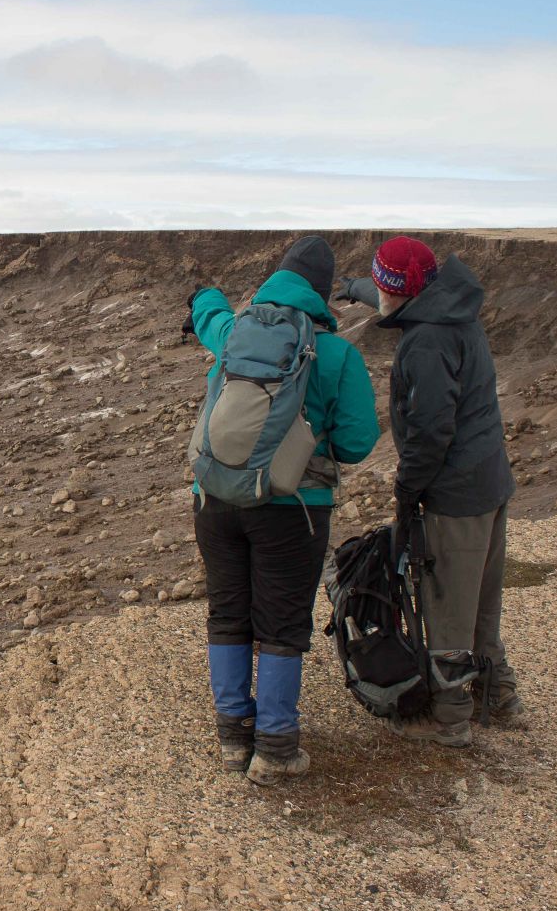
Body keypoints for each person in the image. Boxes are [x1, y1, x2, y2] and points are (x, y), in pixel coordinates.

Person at [187, 236, 381, 785]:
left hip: (216, 500)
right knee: (280, 623)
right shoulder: (337, 353)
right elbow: (358, 443)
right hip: (293, 508)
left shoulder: (233, 334)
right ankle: (274, 746)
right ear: (321, 296)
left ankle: (232, 735)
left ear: (275, 280)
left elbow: (211, 315)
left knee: (228, 612)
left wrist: (202, 294)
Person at [344, 236, 522, 747]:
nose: (376, 291)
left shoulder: (426, 342)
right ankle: (501, 697)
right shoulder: (454, 310)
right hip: (490, 482)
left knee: (447, 608)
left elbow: (430, 431)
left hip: (455, 496)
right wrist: (353, 287)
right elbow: (389, 291)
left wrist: (407, 490)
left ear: (398, 289)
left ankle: (450, 720)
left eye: (380, 283)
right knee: (482, 604)